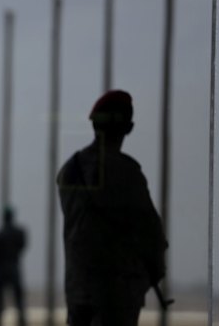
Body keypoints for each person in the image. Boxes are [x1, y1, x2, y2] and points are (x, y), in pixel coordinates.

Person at [56, 90, 168, 326]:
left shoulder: (69, 169)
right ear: (128, 128)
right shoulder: (126, 172)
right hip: (117, 293)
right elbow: (151, 233)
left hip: (78, 291)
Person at [0, 207, 27, 326]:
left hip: (2, 270)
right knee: (18, 300)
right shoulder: (19, 233)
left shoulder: (0, 234)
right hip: (13, 267)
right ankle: (22, 322)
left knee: (0, 302)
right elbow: (22, 246)